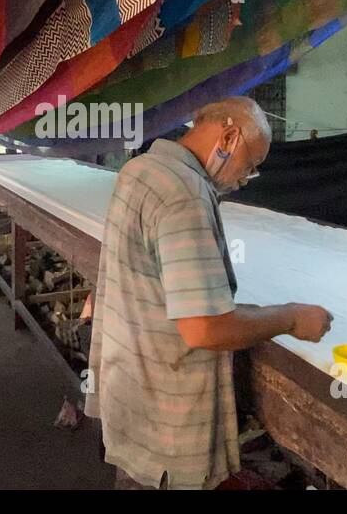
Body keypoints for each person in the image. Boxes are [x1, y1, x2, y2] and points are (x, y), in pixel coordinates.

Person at [84, 96, 332, 490]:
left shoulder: (140, 168)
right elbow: (203, 329)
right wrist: (291, 317)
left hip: (128, 393)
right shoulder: (185, 195)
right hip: (168, 419)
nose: (242, 180)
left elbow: (157, 286)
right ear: (229, 137)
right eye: (249, 166)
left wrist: (240, 308)